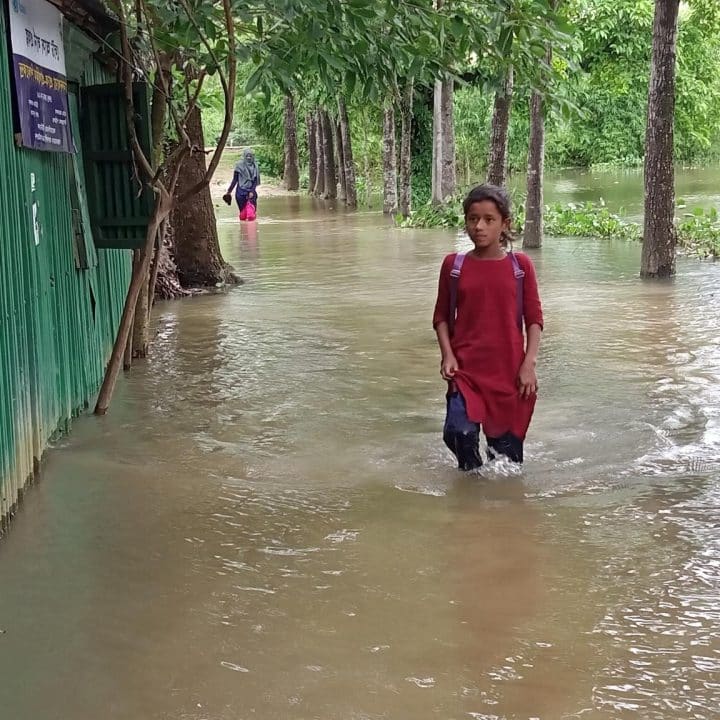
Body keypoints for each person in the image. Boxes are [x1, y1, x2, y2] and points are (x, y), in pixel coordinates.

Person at [432, 184, 543, 469]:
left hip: (509, 375)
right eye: (472, 218)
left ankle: (495, 509)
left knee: (506, 463)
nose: (479, 226)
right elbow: (442, 317)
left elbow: (534, 320)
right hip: (466, 371)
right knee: (459, 433)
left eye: (488, 219)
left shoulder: (520, 267)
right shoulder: (453, 266)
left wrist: (528, 364)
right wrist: (448, 354)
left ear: (505, 223)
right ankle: (470, 495)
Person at [224, 148, 260, 221]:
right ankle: (244, 230)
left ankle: (250, 231)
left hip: (251, 192)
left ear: (253, 157)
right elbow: (235, 180)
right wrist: (229, 191)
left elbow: (255, 181)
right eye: (247, 156)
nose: (248, 158)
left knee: (251, 215)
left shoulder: (255, 166)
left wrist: (252, 191)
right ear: (244, 156)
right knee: (243, 215)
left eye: (250, 156)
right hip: (240, 193)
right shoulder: (239, 166)